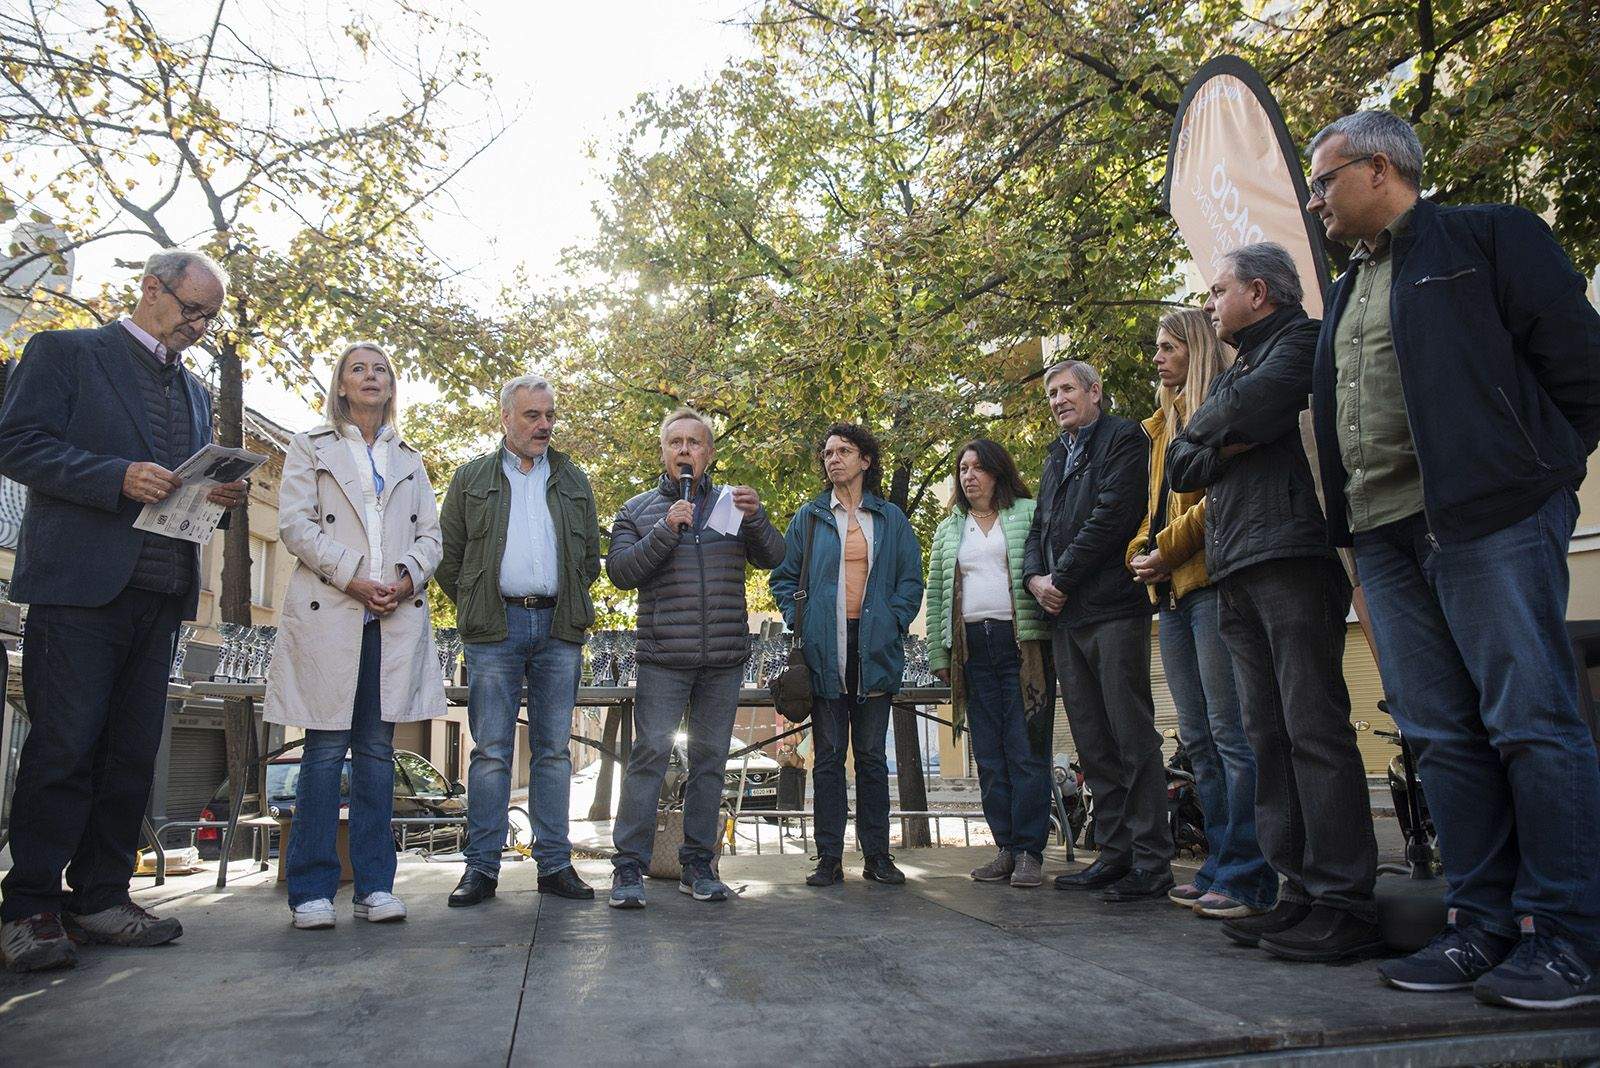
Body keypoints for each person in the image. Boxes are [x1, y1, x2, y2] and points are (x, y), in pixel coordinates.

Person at [1305, 110, 1600, 1008]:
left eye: (1325, 180)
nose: (1314, 199)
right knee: (1439, 736)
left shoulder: (1490, 237)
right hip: (1386, 540)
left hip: (1488, 523)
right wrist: (1352, 536)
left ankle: (1569, 941)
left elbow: (1582, 373)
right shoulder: (1352, 289)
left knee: (1532, 723)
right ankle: (1481, 927)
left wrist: (1533, 477)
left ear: (1382, 168)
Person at [0, 250, 247, 972]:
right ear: (150, 288)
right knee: (65, 748)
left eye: (209, 317)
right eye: (191, 310)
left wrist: (220, 501)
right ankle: (30, 907)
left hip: (161, 590)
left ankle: (101, 897)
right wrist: (116, 476)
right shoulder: (65, 352)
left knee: (132, 755)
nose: (199, 326)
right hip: (78, 591)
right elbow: (15, 444)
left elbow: (185, 487)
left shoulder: (198, 391)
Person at [1166, 241, 1379, 963]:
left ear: (1259, 291)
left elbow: (1241, 416)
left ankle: (1345, 898)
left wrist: (1216, 433)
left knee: (1313, 728)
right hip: (1233, 564)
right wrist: (1224, 437)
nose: (1209, 303)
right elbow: (1181, 463)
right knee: (1267, 737)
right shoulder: (1237, 369)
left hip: (1291, 553)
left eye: (1217, 290)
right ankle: (1297, 892)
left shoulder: (1302, 342)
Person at [263, 342, 444, 929]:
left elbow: (431, 537)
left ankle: (375, 886)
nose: (372, 378)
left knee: (375, 754)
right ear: (341, 385)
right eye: (358, 369)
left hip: (391, 619)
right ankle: (312, 890)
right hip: (330, 614)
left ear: (393, 387)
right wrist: (355, 577)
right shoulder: (307, 446)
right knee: (321, 754)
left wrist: (402, 577)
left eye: (382, 370)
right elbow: (294, 525)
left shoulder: (410, 459)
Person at [603, 408, 786, 908]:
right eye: (675, 443)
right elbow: (619, 571)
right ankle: (628, 869)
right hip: (664, 657)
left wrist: (759, 518)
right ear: (663, 452)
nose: (684, 451)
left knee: (710, 762)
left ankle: (699, 864)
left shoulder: (733, 505)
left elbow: (775, 557)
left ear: (709, 454)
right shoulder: (637, 510)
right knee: (648, 759)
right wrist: (666, 529)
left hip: (723, 658)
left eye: (694, 443)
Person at [1127, 310, 1277, 920]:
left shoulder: (1216, 412)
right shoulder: (1159, 429)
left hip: (1210, 584)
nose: (1157, 358)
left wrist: (1168, 549)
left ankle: (1251, 873)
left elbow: (1217, 502)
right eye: (1154, 349)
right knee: (1198, 741)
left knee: (1230, 734)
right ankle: (1218, 862)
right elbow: (1151, 510)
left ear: (1197, 349)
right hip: (1171, 596)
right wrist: (1141, 552)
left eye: (1168, 347)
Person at [435, 374, 602, 906]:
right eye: (532, 416)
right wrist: (478, 602)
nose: (544, 425)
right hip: (494, 630)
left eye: (549, 415)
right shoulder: (470, 479)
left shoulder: (574, 480)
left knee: (555, 751)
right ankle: (481, 867)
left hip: (558, 628)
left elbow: (589, 559)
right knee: (490, 753)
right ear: (504, 418)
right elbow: (449, 559)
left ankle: (554, 864)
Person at [1023, 361, 1173, 902]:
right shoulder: (1053, 456)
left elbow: (1113, 515)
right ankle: (1114, 856)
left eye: (1067, 389)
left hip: (1113, 608)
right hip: (1066, 618)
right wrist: (1035, 579)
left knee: (1131, 736)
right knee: (1091, 742)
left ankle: (1153, 861)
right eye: (1052, 392)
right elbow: (1041, 526)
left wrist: (1059, 577)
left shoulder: (1123, 438)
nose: (1058, 399)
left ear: (1095, 392)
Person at [770, 423, 923, 888]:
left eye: (843, 451)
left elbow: (910, 581)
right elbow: (784, 578)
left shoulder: (890, 518)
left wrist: (894, 621)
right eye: (828, 452)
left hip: (875, 649)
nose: (833, 458)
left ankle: (878, 856)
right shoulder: (810, 517)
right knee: (830, 756)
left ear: (865, 461)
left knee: (873, 758)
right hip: (824, 650)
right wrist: (804, 622)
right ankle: (829, 858)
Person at [925, 439, 1052, 888]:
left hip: (1023, 648)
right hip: (971, 649)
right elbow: (938, 593)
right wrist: (940, 654)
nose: (969, 475)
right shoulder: (948, 528)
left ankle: (1030, 853)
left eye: (978, 467)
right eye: (962, 468)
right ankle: (1005, 849)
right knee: (992, 759)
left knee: (1026, 752)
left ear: (998, 471)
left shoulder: (1027, 512)